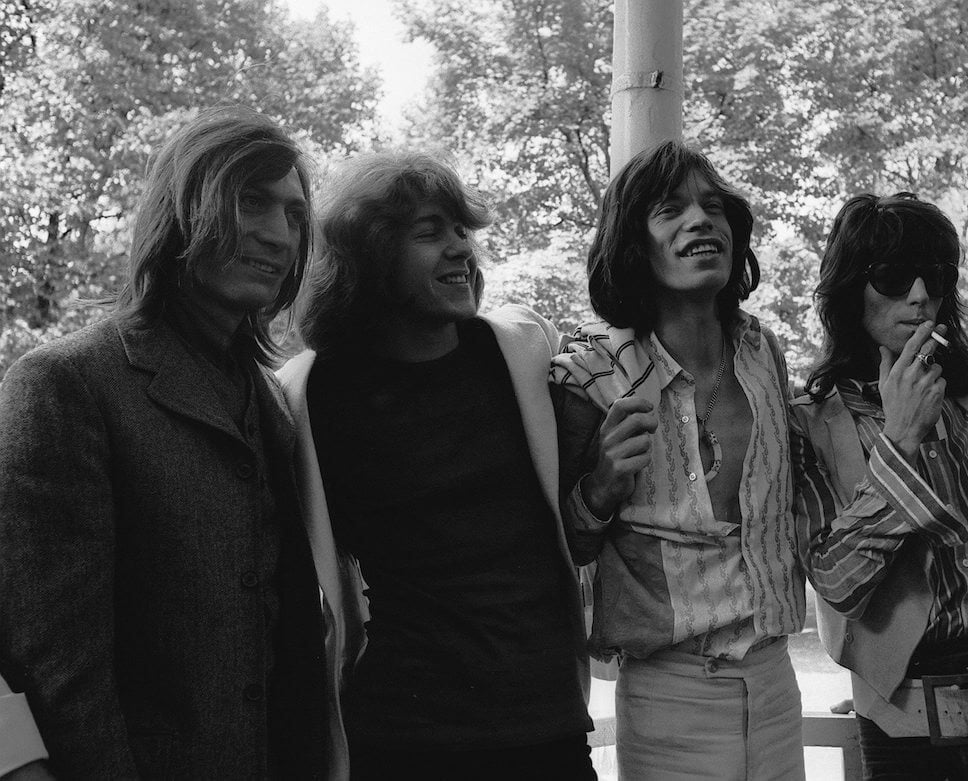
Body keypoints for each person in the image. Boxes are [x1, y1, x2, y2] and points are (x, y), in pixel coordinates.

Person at [0, 106, 328, 778]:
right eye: (251, 202)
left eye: (295, 215)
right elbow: (58, 664)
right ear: (184, 210)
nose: (279, 235)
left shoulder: (275, 402)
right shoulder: (65, 383)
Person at [277, 151, 596, 779]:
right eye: (430, 233)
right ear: (371, 255)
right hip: (405, 737)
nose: (459, 248)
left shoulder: (522, 349)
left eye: (461, 231)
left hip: (548, 723)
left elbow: (576, 519)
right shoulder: (307, 395)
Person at [791, 192, 968, 779]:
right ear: (849, 290)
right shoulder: (810, 422)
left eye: (937, 278)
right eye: (893, 277)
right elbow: (835, 582)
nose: (919, 295)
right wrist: (898, 445)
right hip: (900, 715)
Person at [549, 141, 806, 780]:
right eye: (671, 210)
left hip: (775, 681)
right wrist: (602, 485)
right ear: (633, 244)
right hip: (667, 695)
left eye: (713, 207)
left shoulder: (762, 353)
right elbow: (566, 548)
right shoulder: (590, 377)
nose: (701, 221)